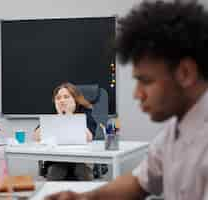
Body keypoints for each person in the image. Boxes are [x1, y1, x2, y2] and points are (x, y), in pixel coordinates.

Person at [45, 1, 208, 199]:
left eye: (145, 81)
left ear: (185, 73)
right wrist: (85, 197)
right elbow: (138, 182)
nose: (137, 94)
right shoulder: (173, 132)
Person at [33, 82, 97, 181]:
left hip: (81, 159)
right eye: (58, 98)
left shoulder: (86, 113)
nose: (62, 100)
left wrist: (69, 114)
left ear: (75, 99)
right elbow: (36, 137)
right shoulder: (54, 113)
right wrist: (59, 116)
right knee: (55, 171)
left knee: (81, 171)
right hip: (57, 159)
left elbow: (88, 137)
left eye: (66, 97)